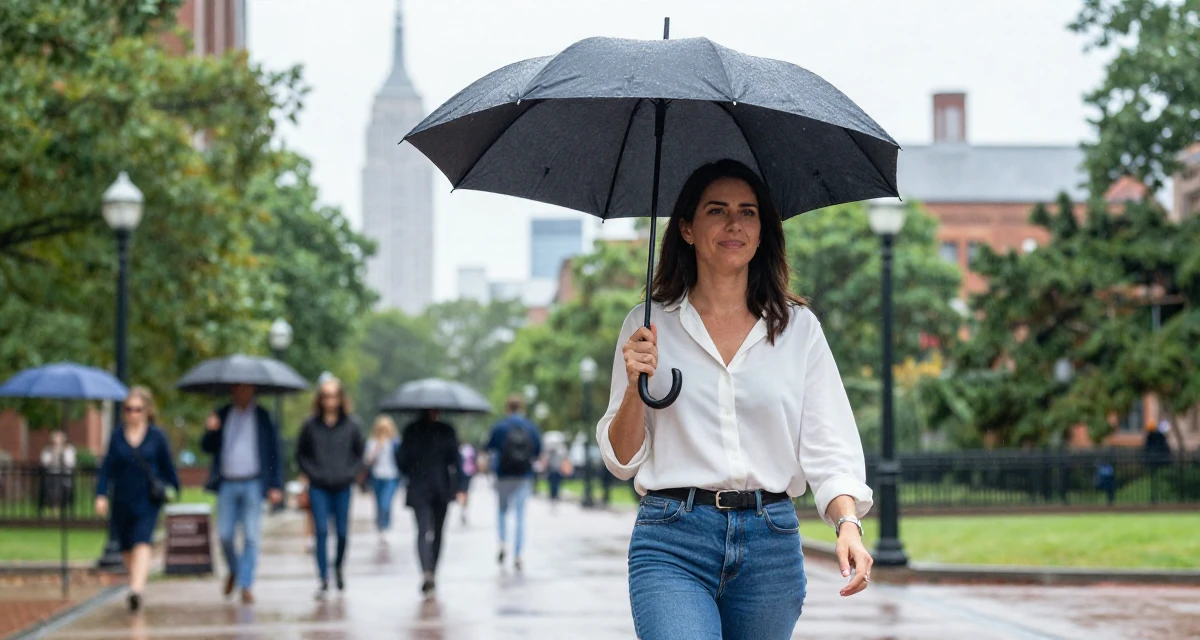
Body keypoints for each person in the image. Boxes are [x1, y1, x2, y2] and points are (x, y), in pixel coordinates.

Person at [598, 159, 875, 639]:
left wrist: (847, 524)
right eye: (716, 210)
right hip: (673, 539)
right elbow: (622, 459)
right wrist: (634, 381)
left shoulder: (797, 329)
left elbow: (829, 444)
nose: (734, 224)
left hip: (771, 544)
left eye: (748, 212)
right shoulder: (647, 326)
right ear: (686, 227)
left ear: (763, 230)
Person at [95, 387, 180, 612]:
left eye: (137, 409)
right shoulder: (116, 436)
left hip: (147, 501)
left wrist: (174, 489)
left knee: (142, 541)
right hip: (122, 499)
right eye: (128, 409)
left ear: (147, 410)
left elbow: (168, 468)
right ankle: (137, 581)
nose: (133, 414)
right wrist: (101, 495)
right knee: (126, 547)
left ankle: (136, 590)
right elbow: (106, 469)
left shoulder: (156, 436)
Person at [202, 383, 284, 605]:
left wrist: (276, 485)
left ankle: (246, 584)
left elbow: (275, 452)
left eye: (246, 388)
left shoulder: (263, 416)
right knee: (225, 535)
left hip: (253, 482)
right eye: (238, 388)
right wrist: (211, 429)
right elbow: (206, 447)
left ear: (253, 390)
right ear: (232, 391)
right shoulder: (222, 413)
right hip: (227, 482)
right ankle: (236, 570)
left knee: (251, 536)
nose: (242, 393)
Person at [295, 377, 365, 600]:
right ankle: (323, 579)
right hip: (319, 486)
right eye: (326, 395)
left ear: (341, 397)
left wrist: (350, 473)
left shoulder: (352, 425)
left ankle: (338, 567)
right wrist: (313, 473)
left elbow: (359, 454)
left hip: (343, 486)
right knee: (322, 531)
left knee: (343, 533)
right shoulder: (310, 425)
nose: (330, 400)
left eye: (334, 395)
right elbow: (301, 455)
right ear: (320, 398)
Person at [396, 409, 464, 597]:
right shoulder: (446, 431)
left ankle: (428, 571)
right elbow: (455, 460)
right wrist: (460, 486)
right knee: (433, 531)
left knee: (425, 531)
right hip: (438, 486)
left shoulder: (412, 431)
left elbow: (401, 461)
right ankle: (430, 571)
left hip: (422, 486)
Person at [486, 396, 542, 571]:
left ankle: (503, 542)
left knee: (502, 511)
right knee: (520, 515)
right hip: (523, 476)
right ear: (522, 407)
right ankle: (518, 553)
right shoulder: (529, 427)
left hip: (503, 476)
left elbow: (489, 447)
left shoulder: (500, 426)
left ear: (507, 408)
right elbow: (538, 450)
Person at [363, 415, 401, 545]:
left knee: (386, 503)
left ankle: (387, 527)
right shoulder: (372, 442)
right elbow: (367, 461)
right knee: (378, 504)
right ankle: (380, 527)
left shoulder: (395, 442)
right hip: (377, 477)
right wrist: (377, 448)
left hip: (391, 477)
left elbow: (400, 459)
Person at [39, 429, 77, 513]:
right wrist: (54, 453)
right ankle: (52, 507)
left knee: (61, 485)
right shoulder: (48, 450)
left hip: (65, 475)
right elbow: (44, 462)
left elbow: (71, 463)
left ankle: (60, 507)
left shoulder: (69, 450)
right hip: (52, 475)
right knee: (51, 485)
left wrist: (62, 454)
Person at [457, 441, 477, 525]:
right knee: (465, 491)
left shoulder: (460, 449)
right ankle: (463, 508)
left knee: (461, 491)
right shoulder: (470, 449)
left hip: (461, 473)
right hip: (468, 472)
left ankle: (462, 507)